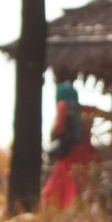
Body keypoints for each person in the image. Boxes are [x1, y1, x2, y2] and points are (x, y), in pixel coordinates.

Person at [42, 80, 100, 210]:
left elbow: (57, 130)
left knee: (64, 195)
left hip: (70, 160)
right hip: (82, 158)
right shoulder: (83, 112)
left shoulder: (63, 108)